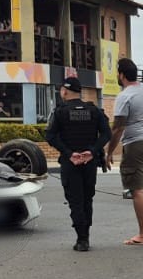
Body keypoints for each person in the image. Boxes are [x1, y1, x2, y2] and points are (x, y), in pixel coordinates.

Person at [104, 57, 143, 246]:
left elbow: (118, 127)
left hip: (137, 144)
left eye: (117, 72)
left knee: (137, 190)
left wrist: (109, 152)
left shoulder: (125, 96)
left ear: (121, 75)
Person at [45, 75, 112, 251]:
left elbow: (50, 136)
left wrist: (69, 154)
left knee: (75, 200)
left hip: (70, 163)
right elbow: (106, 134)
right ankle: (85, 235)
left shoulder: (60, 112)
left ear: (64, 91)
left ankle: (82, 239)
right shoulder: (94, 110)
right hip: (90, 162)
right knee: (87, 199)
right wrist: (92, 151)